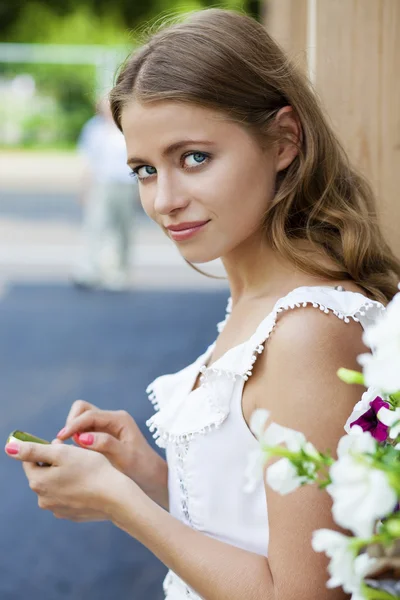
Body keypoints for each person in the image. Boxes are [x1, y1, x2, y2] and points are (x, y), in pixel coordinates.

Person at [5, 8, 400, 600]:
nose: (164, 200)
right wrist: (150, 480)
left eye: (194, 158)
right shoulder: (263, 305)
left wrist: (121, 504)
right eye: (143, 169)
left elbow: (302, 595)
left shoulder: (308, 331)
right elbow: (263, 530)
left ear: (284, 141)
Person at [72, 96, 139, 291]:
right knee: (96, 227)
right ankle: (90, 270)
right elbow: (88, 161)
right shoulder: (94, 128)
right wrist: (84, 189)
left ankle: (119, 273)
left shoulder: (129, 126)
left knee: (123, 229)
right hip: (102, 184)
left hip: (126, 184)